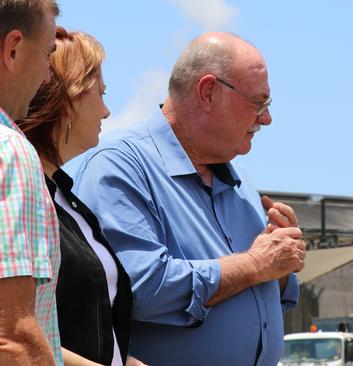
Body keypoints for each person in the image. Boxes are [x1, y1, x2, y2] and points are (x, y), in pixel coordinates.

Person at [73, 32, 306, 365]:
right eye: (259, 102)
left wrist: (282, 266)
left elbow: (261, 285)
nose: (266, 118)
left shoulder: (239, 183)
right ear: (208, 91)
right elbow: (139, 288)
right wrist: (256, 265)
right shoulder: (120, 166)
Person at [17, 27, 146, 366]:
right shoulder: (20, 192)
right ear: (68, 100)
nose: (106, 110)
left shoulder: (66, 199)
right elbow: (15, 332)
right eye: (100, 92)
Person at [0, 1, 61, 365]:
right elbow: (11, 339)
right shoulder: (9, 151)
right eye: (47, 55)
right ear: (13, 49)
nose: (48, 77)